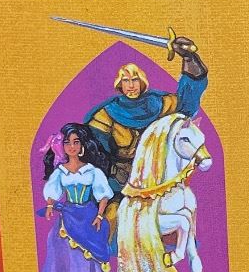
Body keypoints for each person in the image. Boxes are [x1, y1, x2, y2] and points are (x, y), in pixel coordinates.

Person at [85, 37, 208, 200]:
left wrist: (189, 58)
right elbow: (95, 151)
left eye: (134, 80)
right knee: (113, 212)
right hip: (120, 183)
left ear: (142, 82)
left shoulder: (159, 104)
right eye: (126, 80)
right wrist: (113, 173)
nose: (131, 85)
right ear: (119, 84)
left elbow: (187, 101)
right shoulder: (106, 115)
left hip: (157, 179)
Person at [39, 123, 117, 272]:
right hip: (67, 219)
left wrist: (99, 216)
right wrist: (50, 205)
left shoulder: (92, 171)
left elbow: (103, 196)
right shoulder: (61, 172)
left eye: (76, 142)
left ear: (82, 145)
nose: (72, 146)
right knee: (64, 259)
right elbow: (53, 191)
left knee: (93, 259)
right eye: (68, 143)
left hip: (88, 218)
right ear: (63, 146)